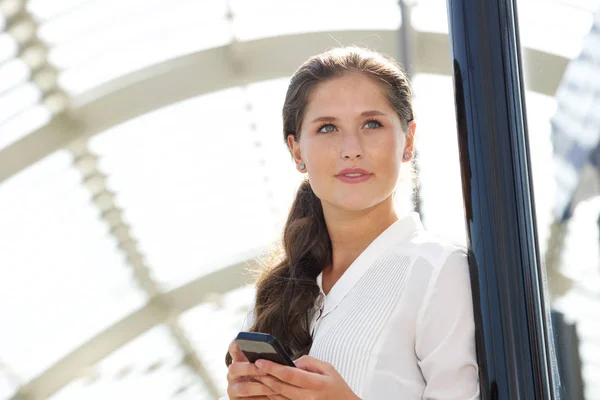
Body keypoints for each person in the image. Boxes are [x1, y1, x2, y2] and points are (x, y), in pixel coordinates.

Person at [223, 46, 480, 400]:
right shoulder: (277, 294)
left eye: (371, 124)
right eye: (327, 127)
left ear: (408, 140)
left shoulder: (440, 271)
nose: (351, 148)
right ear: (297, 151)